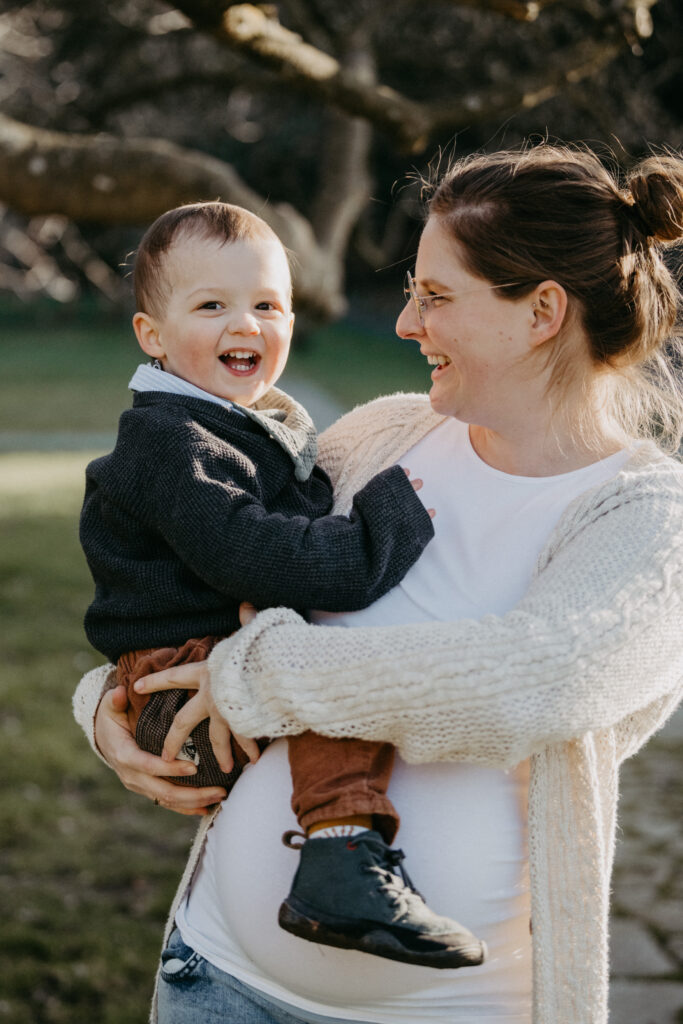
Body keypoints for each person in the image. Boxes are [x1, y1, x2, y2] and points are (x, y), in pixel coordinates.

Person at [74, 144, 683, 1024]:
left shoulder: (644, 515)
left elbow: (530, 682)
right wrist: (112, 701)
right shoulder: (384, 439)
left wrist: (252, 678)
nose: (403, 324)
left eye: (434, 297)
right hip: (215, 977)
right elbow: (205, 557)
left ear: (542, 310)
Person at [78, 199, 488, 970]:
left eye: (268, 304)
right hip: (177, 696)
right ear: (152, 336)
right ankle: (337, 854)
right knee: (323, 672)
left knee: (313, 659)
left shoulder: (242, 424)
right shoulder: (170, 441)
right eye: (212, 306)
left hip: (194, 670)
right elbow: (254, 557)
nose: (246, 324)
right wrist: (381, 530)